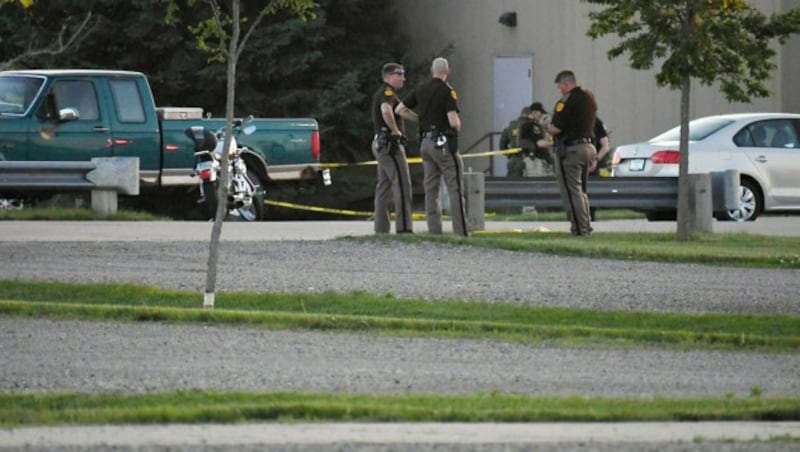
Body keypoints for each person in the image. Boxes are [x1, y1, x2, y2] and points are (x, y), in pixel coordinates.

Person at [395, 57, 469, 236]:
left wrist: (419, 119)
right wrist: (458, 124)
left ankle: (434, 231)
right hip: (443, 144)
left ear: (431, 71)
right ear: (447, 71)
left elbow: (400, 110)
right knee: (455, 187)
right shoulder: (447, 91)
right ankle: (461, 232)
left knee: (431, 189)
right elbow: (453, 121)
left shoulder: (421, 88)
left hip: (425, 143)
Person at [548, 69, 597, 237]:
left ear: (567, 84)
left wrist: (545, 124)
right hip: (588, 148)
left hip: (571, 150)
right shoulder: (589, 98)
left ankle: (579, 229)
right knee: (581, 190)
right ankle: (586, 226)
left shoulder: (566, 101)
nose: (559, 90)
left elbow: (555, 129)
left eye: (560, 86)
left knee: (571, 191)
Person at [370, 62, 413, 234]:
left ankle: (381, 230)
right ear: (388, 76)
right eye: (399, 74)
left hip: (380, 144)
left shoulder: (387, 93)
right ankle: (404, 228)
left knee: (384, 187)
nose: (403, 78)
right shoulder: (387, 93)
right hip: (390, 145)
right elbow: (386, 110)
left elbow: (402, 112)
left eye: (403, 74)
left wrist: (419, 119)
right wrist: (395, 131)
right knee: (402, 184)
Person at [521, 101, 554, 175]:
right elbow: (540, 143)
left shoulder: (530, 124)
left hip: (538, 159)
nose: (542, 115)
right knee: (538, 184)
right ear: (534, 112)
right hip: (535, 161)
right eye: (541, 113)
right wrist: (555, 143)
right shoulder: (532, 125)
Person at [588, 116, 611, 221]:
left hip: (591, 162)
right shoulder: (572, 119)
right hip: (574, 161)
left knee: (590, 191)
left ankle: (591, 216)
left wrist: (596, 159)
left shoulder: (596, 122)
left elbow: (605, 146)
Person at [499, 106, 531, 177]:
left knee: (512, 185)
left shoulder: (510, 127)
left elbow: (502, 146)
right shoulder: (531, 126)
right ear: (530, 114)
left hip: (513, 161)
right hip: (528, 161)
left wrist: (510, 155)